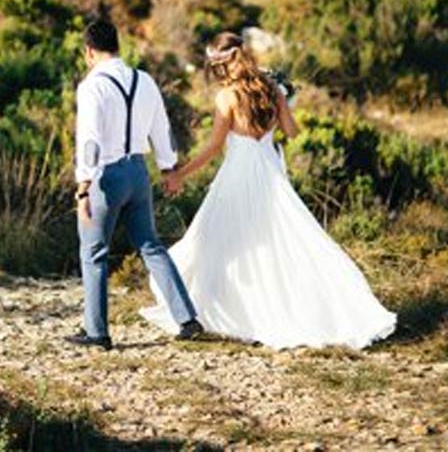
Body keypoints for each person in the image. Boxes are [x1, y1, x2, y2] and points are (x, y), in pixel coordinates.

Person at [141, 31, 397, 350]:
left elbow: (213, 147)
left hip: (238, 174)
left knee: (226, 242)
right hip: (270, 173)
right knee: (285, 239)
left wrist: (180, 173)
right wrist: (283, 101)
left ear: (222, 64)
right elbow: (291, 130)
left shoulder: (227, 97)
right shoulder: (272, 88)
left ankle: (235, 311)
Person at [66, 18, 202, 351]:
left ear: (89, 51)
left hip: (106, 177)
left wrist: (83, 186)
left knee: (94, 252)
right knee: (151, 246)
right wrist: (168, 168)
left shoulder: (92, 86)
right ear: (117, 46)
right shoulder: (145, 80)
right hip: (138, 173)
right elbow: (161, 128)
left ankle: (97, 332)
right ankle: (188, 320)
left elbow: (89, 139)